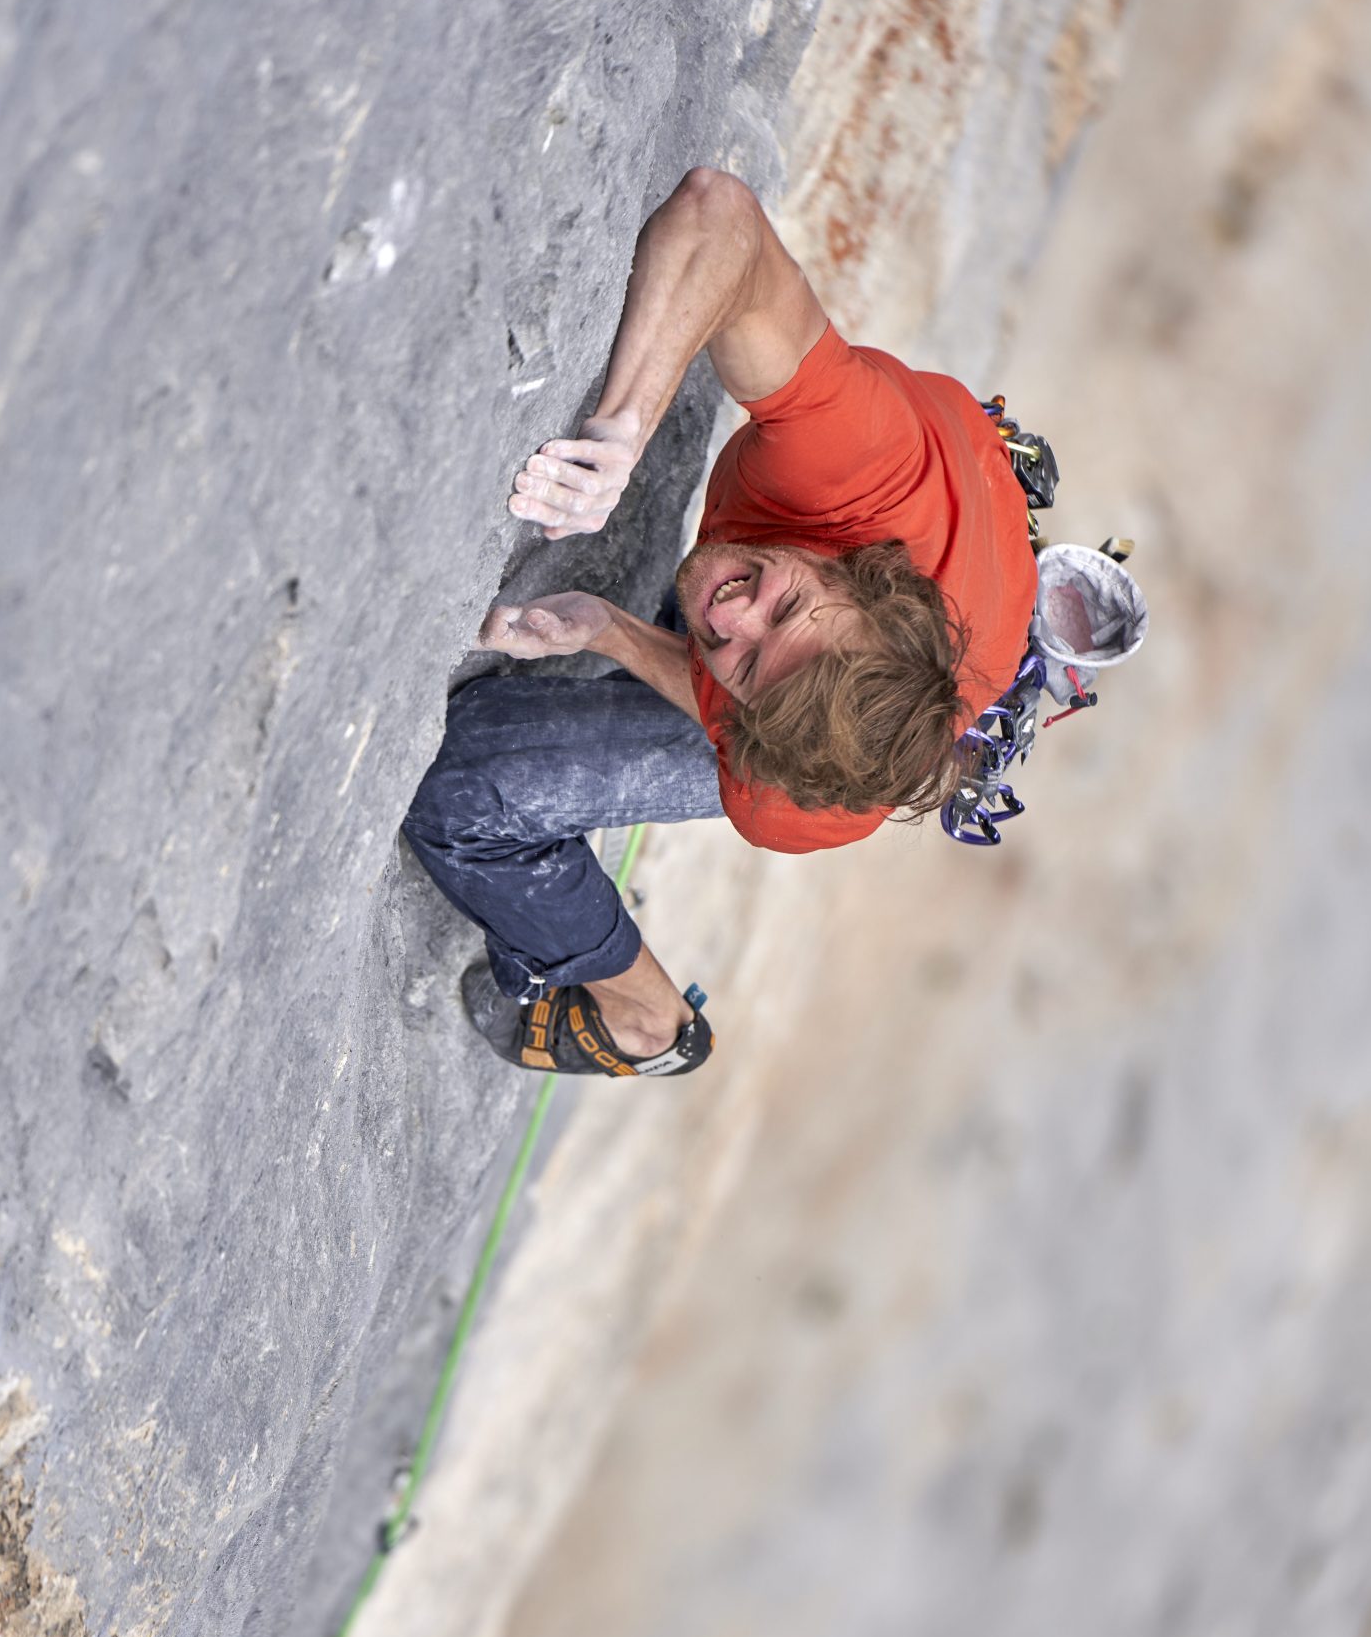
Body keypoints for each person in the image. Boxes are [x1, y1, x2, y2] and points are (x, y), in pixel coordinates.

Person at [402, 166, 1039, 1079]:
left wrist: (610, 631)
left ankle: (645, 1023)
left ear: (742, 726)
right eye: (784, 603)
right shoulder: (862, 467)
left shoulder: (794, 802)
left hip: (953, 627)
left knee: (463, 787)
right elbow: (718, 215)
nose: (728, 613)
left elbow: (749, 697)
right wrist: (622, 429)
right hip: (953, 521)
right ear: (864, 580)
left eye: (740, 664)